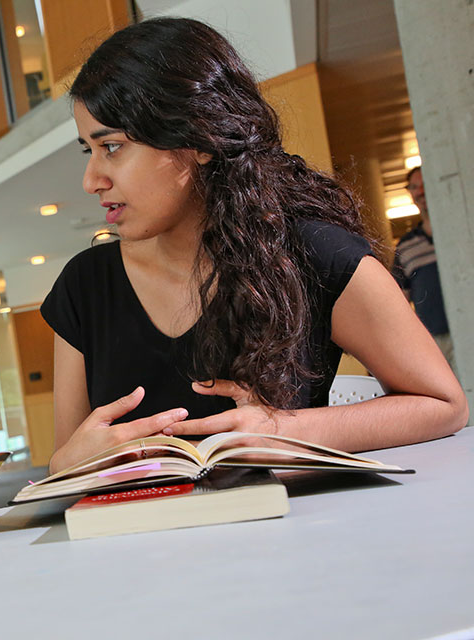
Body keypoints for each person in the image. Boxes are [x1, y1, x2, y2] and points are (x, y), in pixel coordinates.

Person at [42, 18, 467, 474]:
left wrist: (288, 429)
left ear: (198, 140)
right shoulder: (84, 285)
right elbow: (66, 461)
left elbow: (443, 403)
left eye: (113, 147)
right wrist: (65, 463)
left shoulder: (313, 255)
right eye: (89, 150)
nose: (91, 181)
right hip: (135, 542)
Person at [392, 167, 454, 367]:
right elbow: (400, 299)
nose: (420, 192)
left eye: (424, 185)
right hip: (434, 341)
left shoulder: (461, 230)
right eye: (414, 187)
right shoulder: (405, 246)